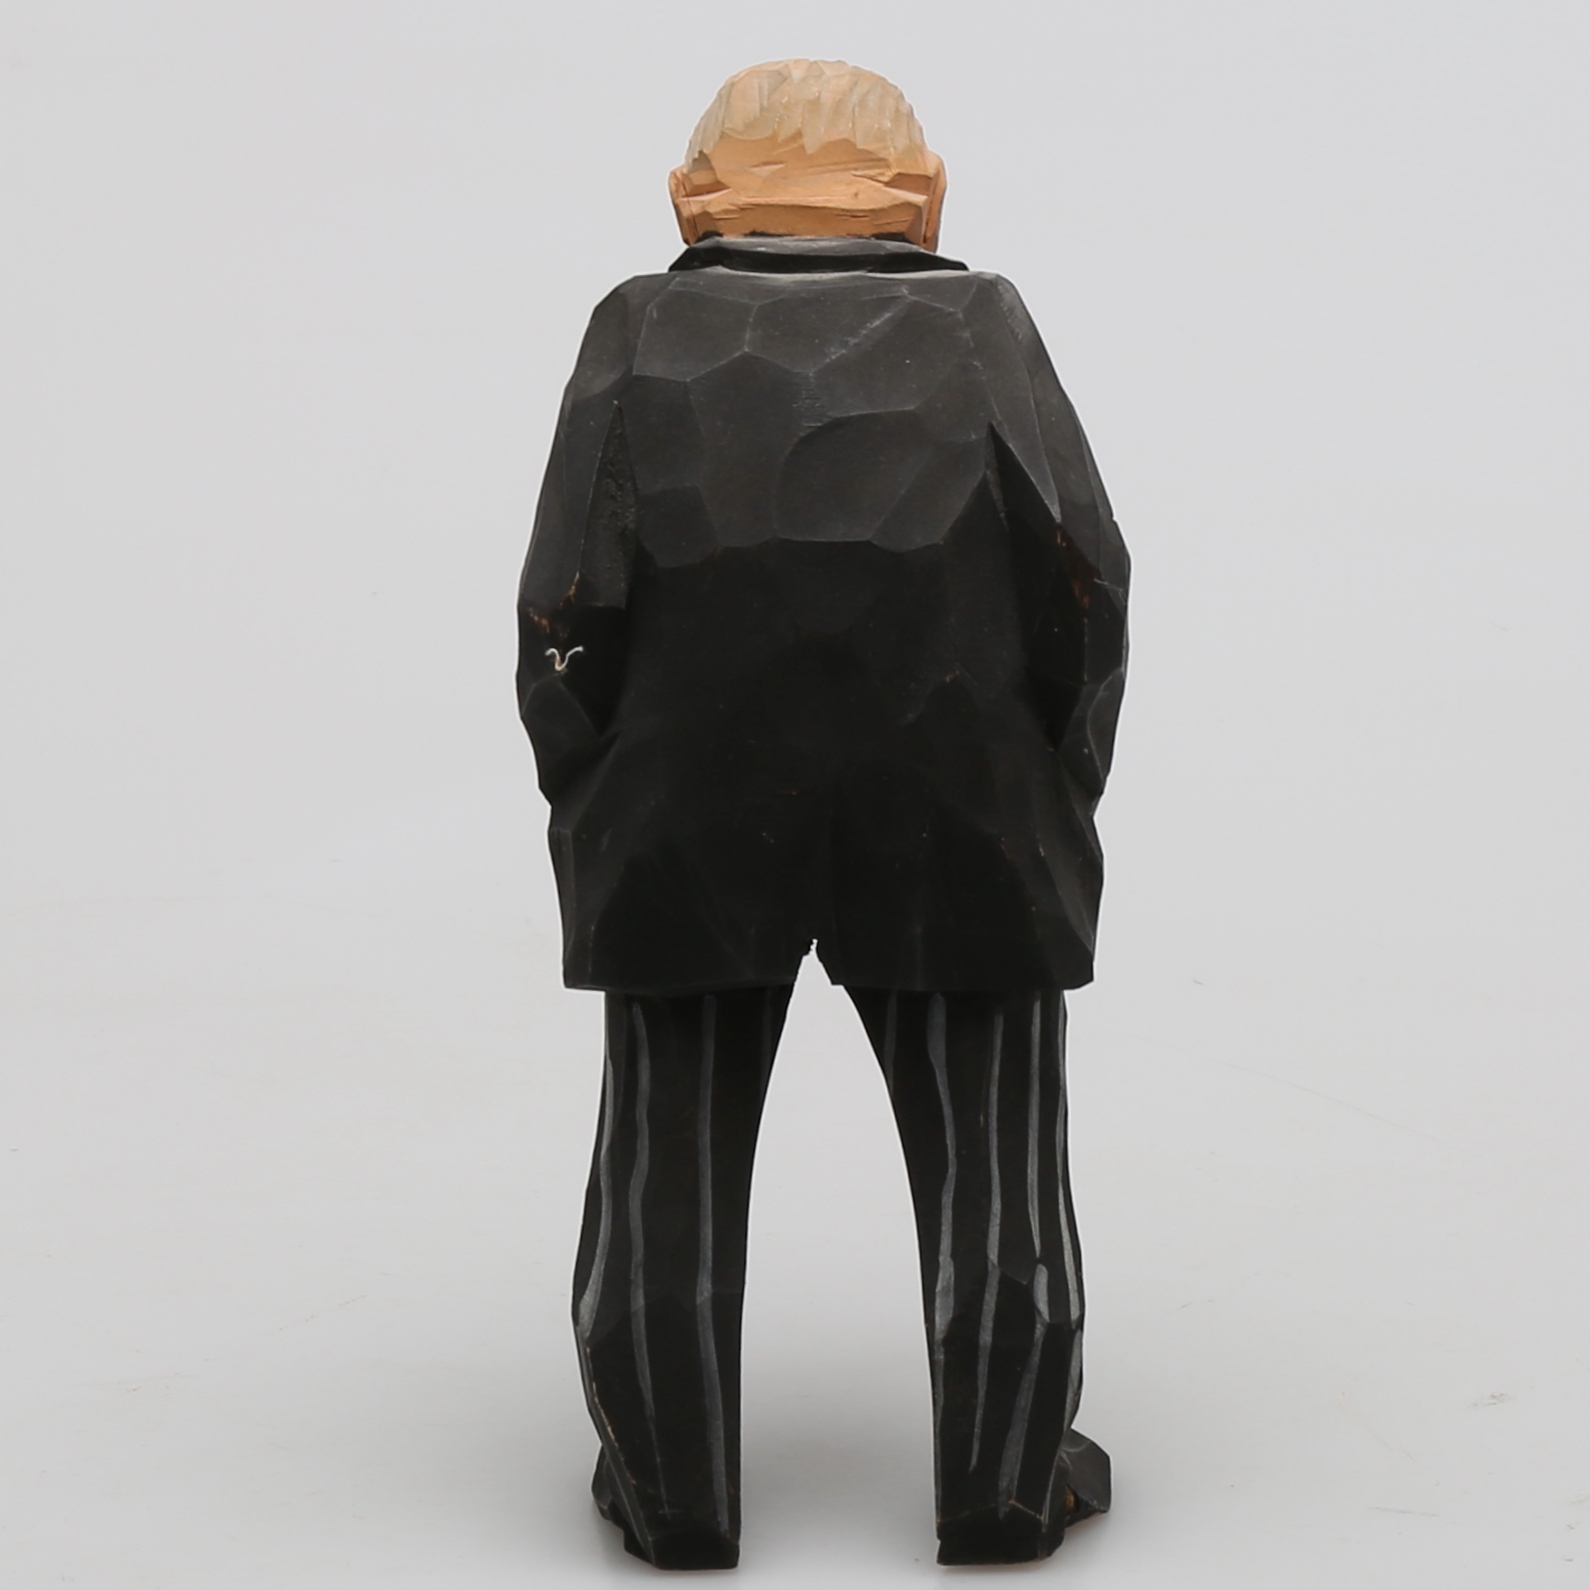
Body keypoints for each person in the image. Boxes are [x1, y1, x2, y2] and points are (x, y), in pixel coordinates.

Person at [516, 58, 1128, 1570]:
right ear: (925, 201)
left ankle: (670, 1489)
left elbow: (566, 601)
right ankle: (1001, 1484)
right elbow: (1083, 581)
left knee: (662, 1154)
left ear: (689, 201)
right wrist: (1060, 784)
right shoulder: (983, 324)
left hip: (681, 801)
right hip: (964, 798)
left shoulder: (637, 328)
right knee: (996, 1159)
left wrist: (588, 793)